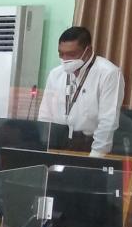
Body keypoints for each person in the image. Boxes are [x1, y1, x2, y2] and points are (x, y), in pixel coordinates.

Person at [37, 26, 125, 155]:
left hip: (89, 144)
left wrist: (96, 155)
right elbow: (45, 114)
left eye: (71, 54)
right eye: (61, 53)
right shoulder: (55, 74)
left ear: (88, 50)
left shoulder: (108, 73)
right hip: (57, 143)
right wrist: (44, 145)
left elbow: (108, 120)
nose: (65, 59)